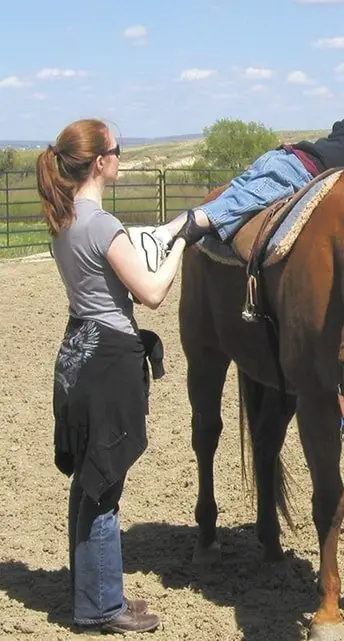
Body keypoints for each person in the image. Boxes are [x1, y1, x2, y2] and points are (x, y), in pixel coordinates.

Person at [36, 119, 206, 633]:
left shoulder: (62, 220)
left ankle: (96, 595)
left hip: (76, 352)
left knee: (88, 482)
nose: (119, 155)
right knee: (105, 488)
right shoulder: (101, 225)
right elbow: (150, 292)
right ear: (101, 162)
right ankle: (101, 609)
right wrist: (182, 242)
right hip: (108, 359)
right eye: (116, 149)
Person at [127, 91, 344, 270]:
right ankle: (159, 237)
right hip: (290, 172)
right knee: (231, 207)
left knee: (232, 203)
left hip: (286, 164)